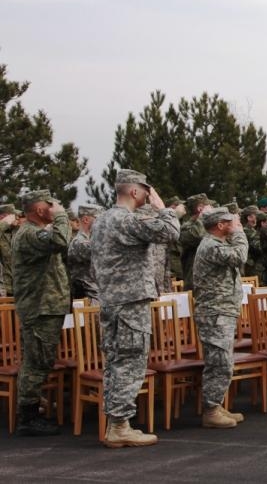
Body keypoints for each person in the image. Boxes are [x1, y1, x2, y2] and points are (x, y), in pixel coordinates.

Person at [91, 169, 180, 447]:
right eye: (145, 190)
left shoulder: (102, 220)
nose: (148, 194)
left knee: (115, 362)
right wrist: (163, 208)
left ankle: (116, 424)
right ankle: (119, 426)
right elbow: (170, 232)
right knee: (130, 362)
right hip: (130, 302)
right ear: (134, 191)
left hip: (111, 300)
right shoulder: (124, 220)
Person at [11, 189, 70, 436]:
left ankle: (31, 406)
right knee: (36, 363)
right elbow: (61, 241)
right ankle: (28, 416)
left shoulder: (36, 233)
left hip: (47, 307)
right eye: (50, 205)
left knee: (41, 361)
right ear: (39, 210)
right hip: (39, 308)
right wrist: (62, 216)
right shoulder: (28, 234)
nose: (54, 207)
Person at [191, 207, 248, 428]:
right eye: (230, 222)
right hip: (214, 313)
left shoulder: (218, 244)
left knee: (222, 360)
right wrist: (239, 233)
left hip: (221, 310)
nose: (234, 225)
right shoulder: (211, 245)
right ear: (221, 226)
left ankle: (216, 404)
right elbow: (240, 256)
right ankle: (211, 410)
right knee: (220, 362)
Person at [67, 204, 104, 301]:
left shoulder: (91, 240)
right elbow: (106, 254)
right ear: (86, 220)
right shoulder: (80, 242)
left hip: (98, 295)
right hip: (89, 297)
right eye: (98, 218)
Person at [180, 193, 214, 289]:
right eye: (209, 206)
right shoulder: (186, 228)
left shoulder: (206, 226)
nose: (212, 208)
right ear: (200, 209)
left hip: (209, 279)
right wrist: (202, 216)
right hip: (195, 281)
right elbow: (198, 236)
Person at [1, 203, 19, 297]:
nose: (16, 218)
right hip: (4, 288)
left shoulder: (15, 231)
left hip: (17, 286)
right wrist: (5, 223)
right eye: (13, 216)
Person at [240, 205, 262, 279]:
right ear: (249, 217)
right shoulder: (248, 232)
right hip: (251, 267)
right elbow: (260, 247)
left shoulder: (251, 230)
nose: (258, 218)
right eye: (256, 216)